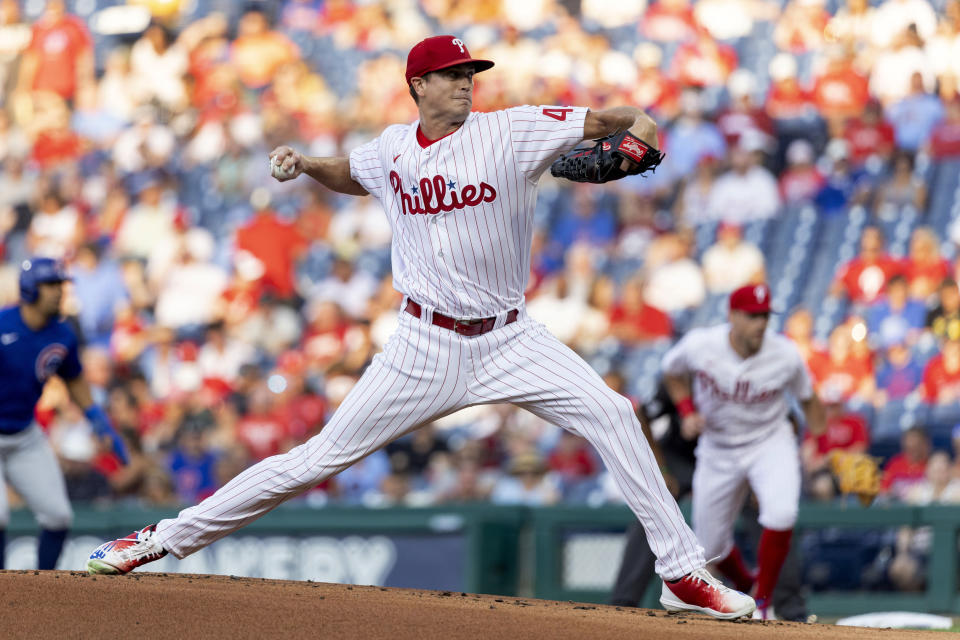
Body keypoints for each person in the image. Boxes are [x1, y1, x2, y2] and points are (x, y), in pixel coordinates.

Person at [86, 35, 756, 620]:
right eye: (454, 75)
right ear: (419, 85)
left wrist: (643, 135)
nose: (467, 84)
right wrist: (309, 165)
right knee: (314, 461)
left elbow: (624, 120)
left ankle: (680, 572)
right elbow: (354, 173)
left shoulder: (512, 130)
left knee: (613, 412)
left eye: (472, 75)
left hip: (510, 337)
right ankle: (158, 540)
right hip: (422, 344)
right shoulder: (392, 148)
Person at [659, 283, 825, 619]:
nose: (761, 323)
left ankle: (764, 602)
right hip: (718, 447)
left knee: (782, 514)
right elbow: (672, 374)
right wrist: (688, 410)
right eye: (752, 316)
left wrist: (826, 447)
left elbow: (809, 401)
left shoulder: (785, 354)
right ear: (732, 315)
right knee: (708, 550)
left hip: (770, 441)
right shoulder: (701, 345)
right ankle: (748, 585)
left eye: (765, 315)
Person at [0, 257, 128, 570]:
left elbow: (74, 379)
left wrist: (99, 421)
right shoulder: (3, 324)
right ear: (30, 289)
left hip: (25, 434)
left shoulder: (63, 334)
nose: (59, 292)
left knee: (58, 516)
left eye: (61, 285)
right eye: (51, 285)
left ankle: (45, 590)